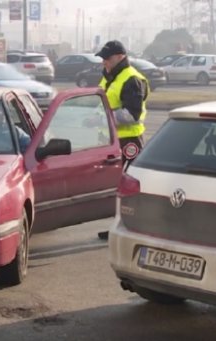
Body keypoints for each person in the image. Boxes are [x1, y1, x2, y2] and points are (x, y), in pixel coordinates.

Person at [95, 40, 149, 240]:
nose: (104, 62)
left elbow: (132, 114)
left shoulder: (131, 79)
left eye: (107, 58)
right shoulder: (110, 77)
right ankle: (118, 225)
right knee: (116, 185)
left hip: (129, 141)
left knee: (128, 186)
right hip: (112, 141)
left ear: (120, 57)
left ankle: (131, 226)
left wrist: (103, 118)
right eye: (102, 59)